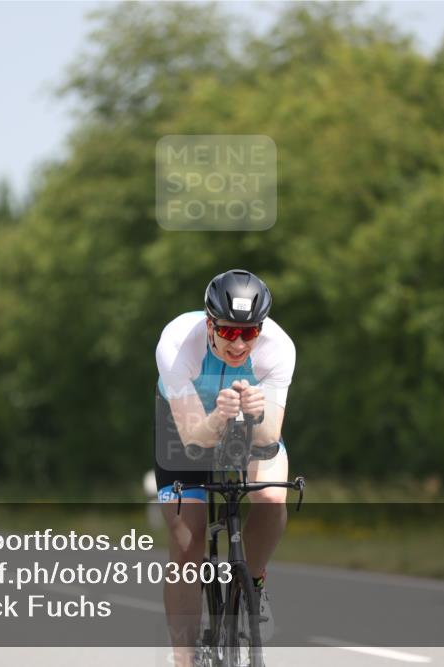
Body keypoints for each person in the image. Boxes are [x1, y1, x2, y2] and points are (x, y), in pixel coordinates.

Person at [154, 269, 295, 667]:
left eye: (249, 333)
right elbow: (195, 437)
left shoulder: (278, 348)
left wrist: (257, 411)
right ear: (209, 323)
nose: (239, 343)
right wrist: (217, 419)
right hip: (183, 424)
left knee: (269, 495)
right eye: (229, 332)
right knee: (187, 542)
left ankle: (253, 582)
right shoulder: (178, 344)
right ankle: (184, 656)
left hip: (246, 421)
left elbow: (268, 440)